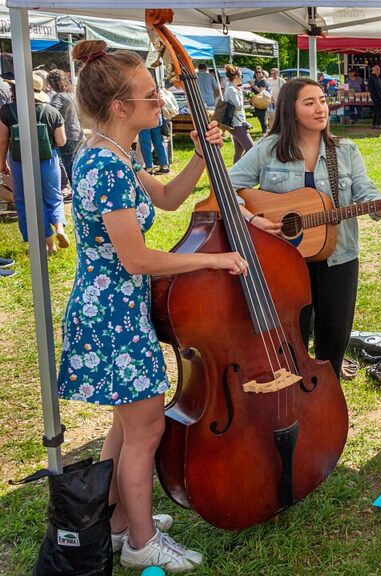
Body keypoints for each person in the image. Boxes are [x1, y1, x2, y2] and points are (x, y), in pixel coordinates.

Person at [57, 39, 238, 572]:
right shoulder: (105, 166)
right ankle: (140, 542)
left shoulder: (114, 154)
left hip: (116, 309)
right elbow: (135, 259)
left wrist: (202, 158)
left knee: (125, 426)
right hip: (112, 313)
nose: (160, 102)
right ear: (121, 107)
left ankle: (112, 522)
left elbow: (170, 198)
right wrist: (212, 261)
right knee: (146, 430)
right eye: (151, 96)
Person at [232, 78, 381, 377]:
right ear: (290, 110)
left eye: (322, 100)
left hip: (339, 258)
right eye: (309, 102)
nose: (320, 108)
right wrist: (253, 220)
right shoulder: (268, 149)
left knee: (334, 339)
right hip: (284, 260)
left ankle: (328, 397)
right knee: (291, 339)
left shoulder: (345, 150)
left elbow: (365, 191)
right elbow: (225, 189)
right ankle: (294, 401)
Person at [0, 74, 68, 255]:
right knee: (53, 197)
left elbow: (2, 141)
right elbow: (61, 141)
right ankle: (59, 228)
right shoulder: (51, 111)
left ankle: (46, 245)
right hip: (48, 159)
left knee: (25, 202)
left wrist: (2, 164)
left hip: (19, 160)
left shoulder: (7, 111)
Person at [46, 69, 83, 192]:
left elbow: (51, 111)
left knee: (70, 167)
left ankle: (76, 193)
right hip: (78, 134)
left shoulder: (59, 96)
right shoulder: (73, 94)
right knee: (77, 166)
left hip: (66, 135)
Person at [222, 64, 253, 163]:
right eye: (241, 75)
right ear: (236, 77)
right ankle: (240, 169)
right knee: (251, 149)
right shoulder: (232, 89)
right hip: (236, 124)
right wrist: (240, 92)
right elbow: (238, 106)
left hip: (237, 123)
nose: (242, 78)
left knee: (239, 151)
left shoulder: (231, 88)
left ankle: (235, 172)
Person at [250, 69, 270, 134]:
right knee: (260, 117)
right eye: (256, 72)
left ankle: (264, 132)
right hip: (256, 102)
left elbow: (261, 91)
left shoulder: (263, 81)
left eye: (259, 72)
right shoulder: (255, 81)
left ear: (262, 73)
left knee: (262, 117)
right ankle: (265, 131)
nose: (258, 73)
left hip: (262, 101)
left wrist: (253, 86)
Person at [368, 64, 381, 130]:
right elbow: (371, 89)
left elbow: (380, 88)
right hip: (376, 97)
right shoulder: (371, 78)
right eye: (378, 70)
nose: (379, 71)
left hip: (379, 96)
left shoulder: (378, 78)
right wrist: (375, 96)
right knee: (378, 110)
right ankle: (377, 124)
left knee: (378, 110)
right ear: (374, 70)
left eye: (379, 70)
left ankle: (375, 124)